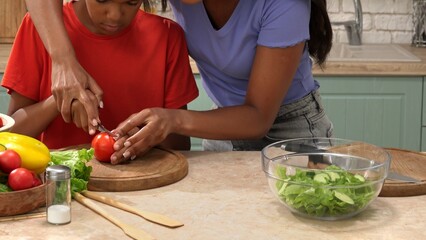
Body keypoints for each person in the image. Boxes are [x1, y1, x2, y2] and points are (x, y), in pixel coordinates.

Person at [24, 0, 334, 163]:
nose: (115, 14)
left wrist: (172, 120)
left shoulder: (285, 5)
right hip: (220, 122)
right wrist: (64, 62)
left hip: (290, 129)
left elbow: (257, 117)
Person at [2, 0, 198, 154]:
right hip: (60, 187)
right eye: (102, 0)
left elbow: (180, 145)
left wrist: (146, 140)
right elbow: (9, 137)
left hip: (142, 185)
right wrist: (58, 101)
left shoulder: (167, 36)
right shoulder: (41, 29)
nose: (114, 16)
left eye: (131, 2)